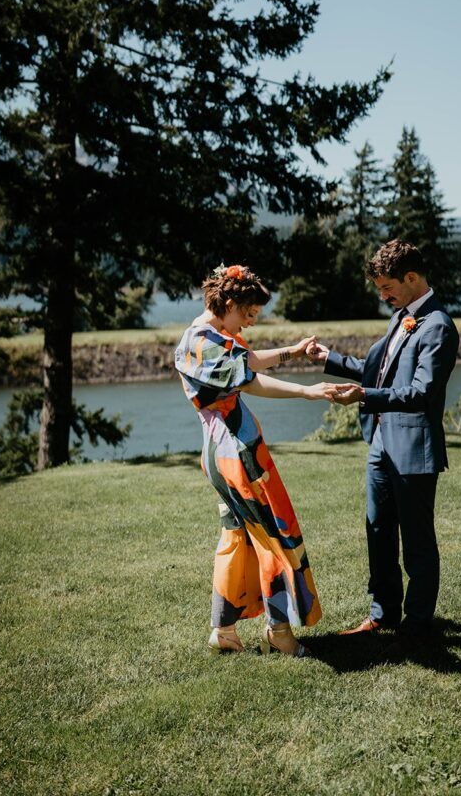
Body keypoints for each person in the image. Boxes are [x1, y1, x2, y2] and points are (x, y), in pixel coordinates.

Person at [175, 264, 332, 658]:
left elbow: (247, 360)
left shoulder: (205, 334)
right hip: (237, 454)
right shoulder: (204, 342)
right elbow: (248, 379)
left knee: (237, 537)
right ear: (228, 303)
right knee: (272, 538)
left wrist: (291, 352)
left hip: (219, 451)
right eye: (246, 315)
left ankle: (223, 630)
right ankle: (279, 631)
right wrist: (308, 393)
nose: (247, 325)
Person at [308, 239, 459, 648]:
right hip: (381, 444)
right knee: (377, 530)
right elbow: (377, 373)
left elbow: (421, 393)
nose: (383, 295)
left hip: (412, 448)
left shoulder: (438, 325)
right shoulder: (402, 317)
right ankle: (382, 614)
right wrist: (328, 357)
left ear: (411, 278)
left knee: (417, 542)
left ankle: (417, 624)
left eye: (387, 286)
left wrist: (364, 398)